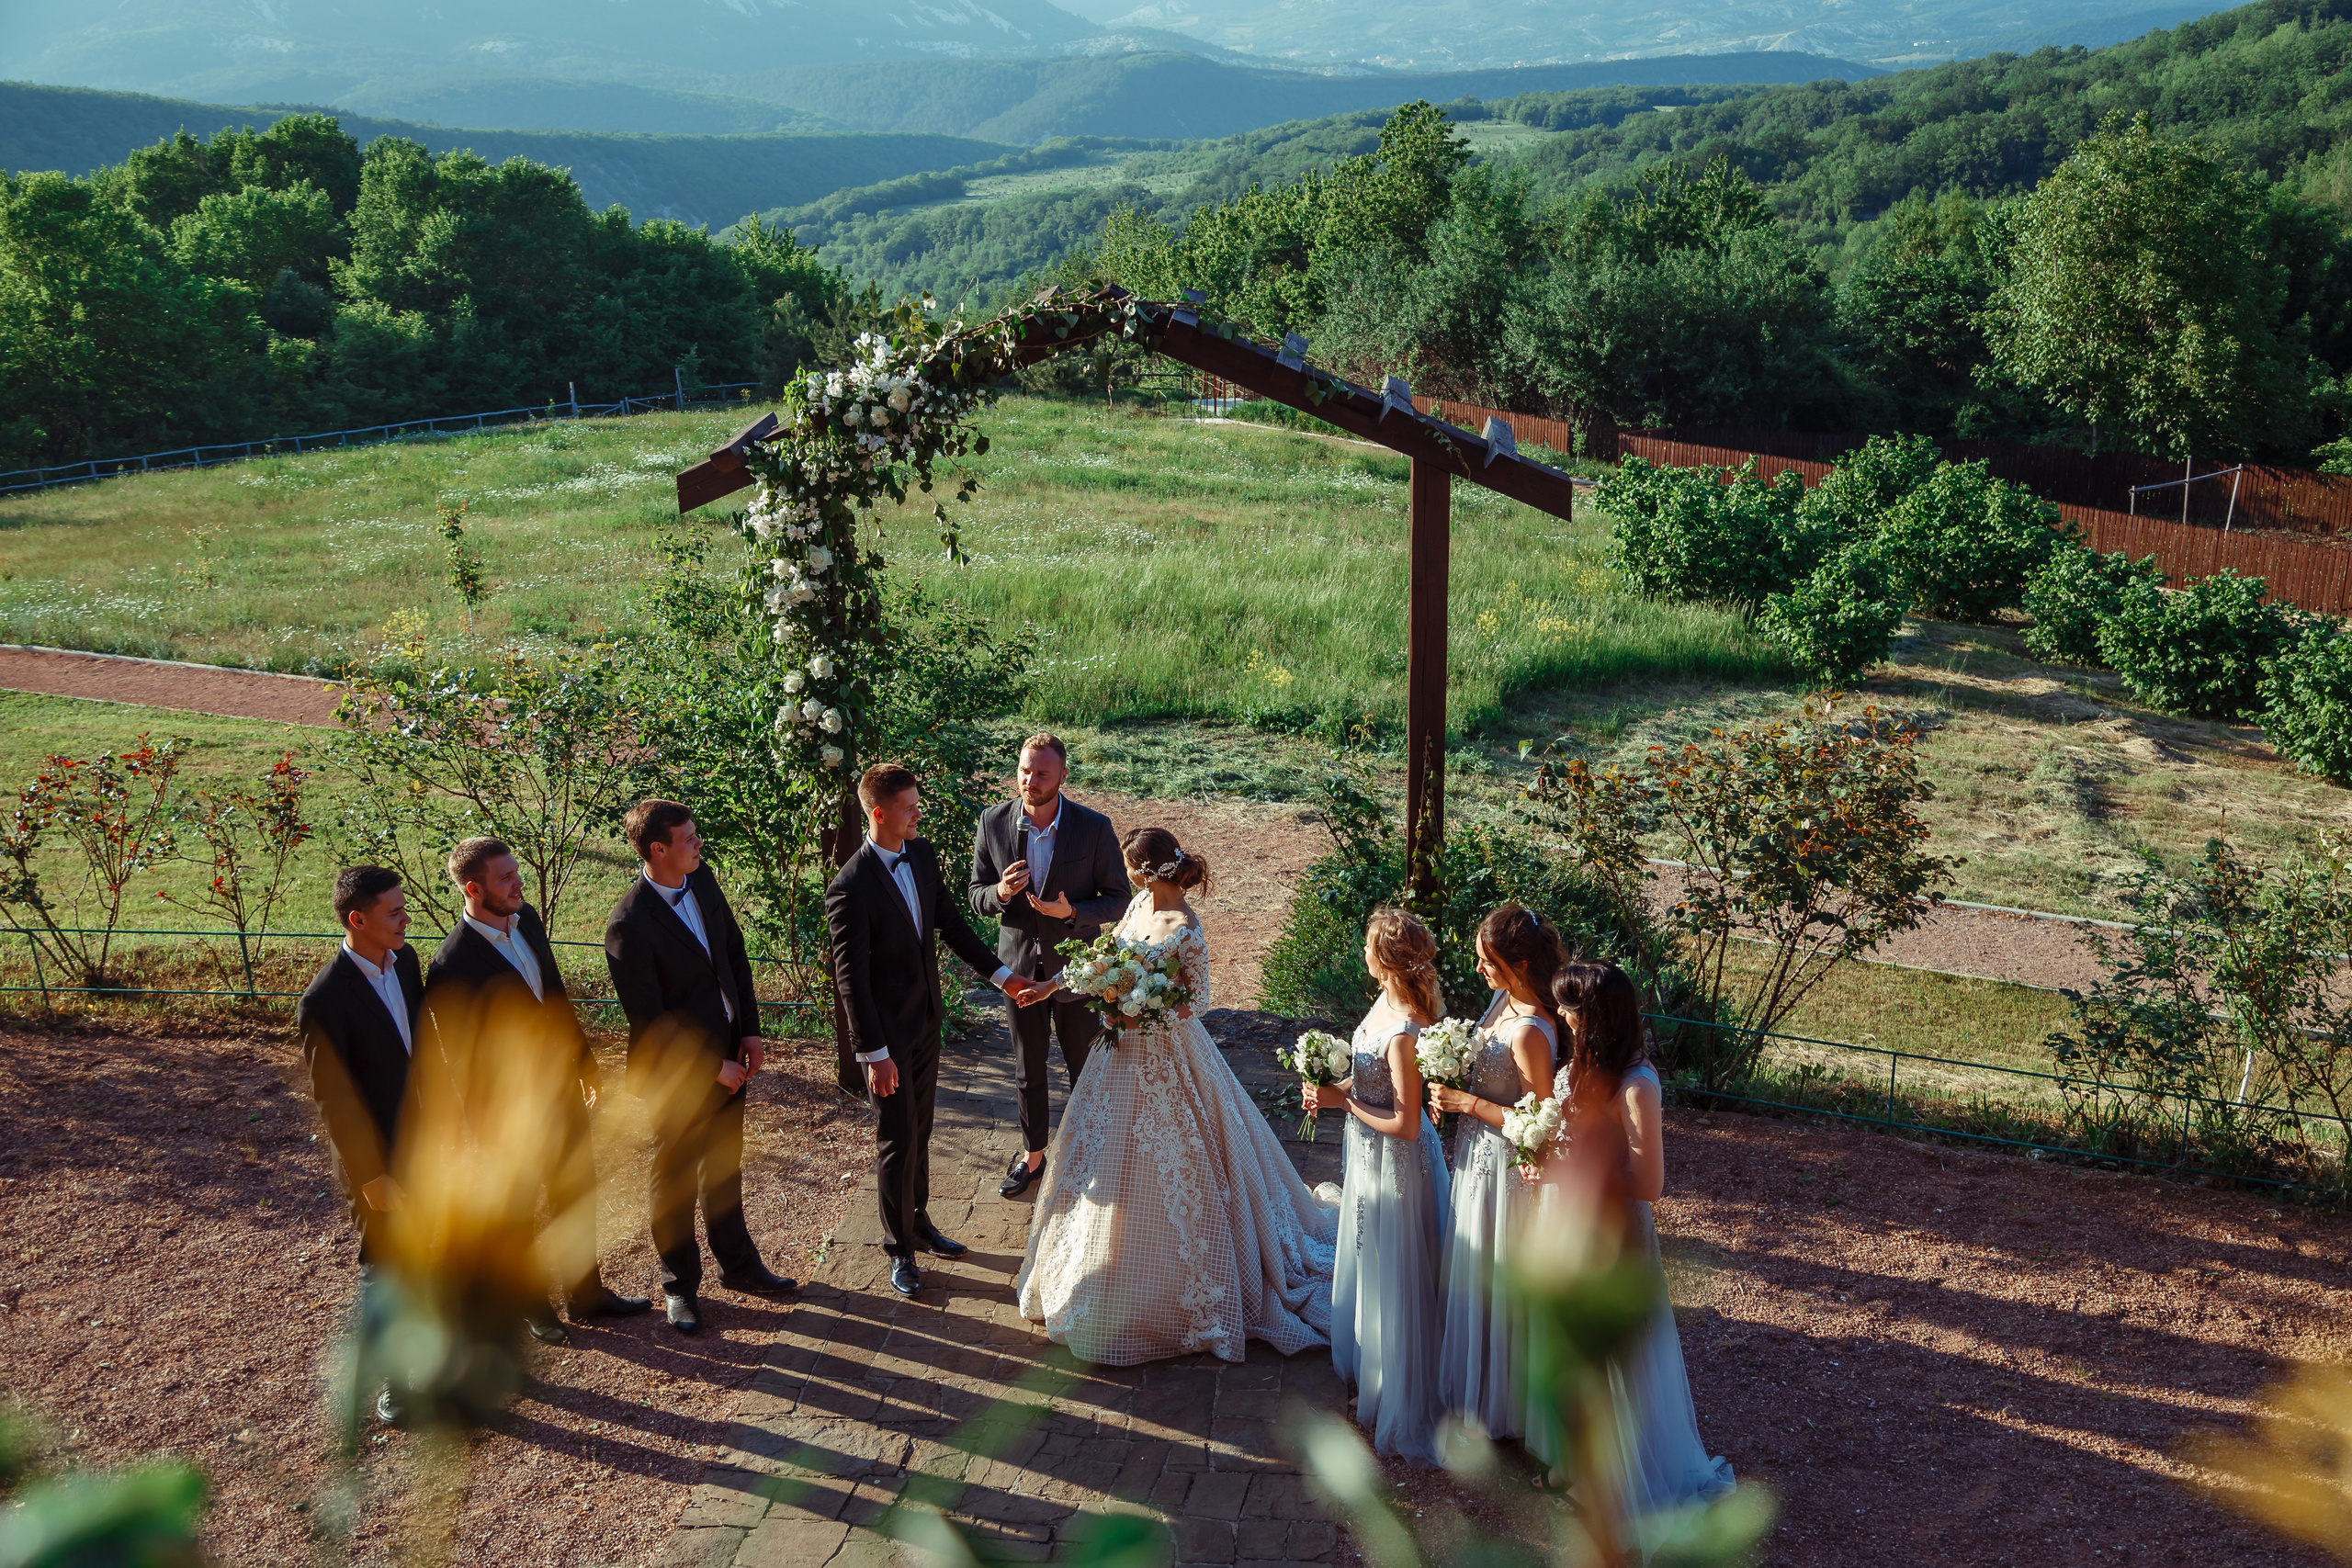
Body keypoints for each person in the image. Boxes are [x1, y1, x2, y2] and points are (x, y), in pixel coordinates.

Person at [1013, 826, 1337, 1366]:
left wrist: (1143, 1008)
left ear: (1144, 869)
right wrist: (1052, 986)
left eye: (1129, 866)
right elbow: (1104, 959)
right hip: (1119, 1051)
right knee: (1103, 1155)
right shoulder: (1139, 901)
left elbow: (1200, 1001)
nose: (1126, 876)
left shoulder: (1186, 927)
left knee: (1182, 1161)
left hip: (1169, 1053)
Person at [826, 763, 1042, 1298]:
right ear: (880, 814)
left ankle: (918, 1223)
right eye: (909, 807)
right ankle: (898, 1249)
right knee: (897, 1140)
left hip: (926, 1022)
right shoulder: (849, 887)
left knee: (920, 1131)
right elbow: (850, 981)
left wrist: (1003, 976)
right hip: (886, 1038)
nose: (918, 812)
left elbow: (951, 923)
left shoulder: (920, 855)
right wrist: (872, 1053)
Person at [424, 837, 651, 1337]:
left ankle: (585, 1294)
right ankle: (532, 1307)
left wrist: (584, 1066)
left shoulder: (527, 921)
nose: (517, 883)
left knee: (577, 1193)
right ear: (473, 889)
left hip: (562, 1093)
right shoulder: (450, 968)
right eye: (505, 878)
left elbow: (555, 1000)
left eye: (515, 873)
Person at [1545, 960, 1735, 1546]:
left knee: (1617, 1358)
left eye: (1570, 1008)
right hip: (1570, 1220)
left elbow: (1649, 1183)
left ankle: (1630, 1485)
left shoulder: (1637, 1084)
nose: (1560, 1016)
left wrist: (1574, 1166)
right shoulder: (1584, 1064)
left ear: (1596, 1016)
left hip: (1614, 1233)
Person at [605, 799, 797, 1335]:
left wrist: (751, 1030)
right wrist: (712, 1068)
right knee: (674, 1180)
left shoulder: (702, 879)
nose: (699, 844)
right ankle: (678, 1288)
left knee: (724, 1166)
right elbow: (651, 1019)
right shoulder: (627, 925)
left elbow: (734, 954)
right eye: (688, 838)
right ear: (657, 849)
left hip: (732, 1050)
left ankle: (738, 1267)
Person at [1308, 908, 1451, 1465]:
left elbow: (1407, 1124)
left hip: (1398, 1167)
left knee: (1397, 1270)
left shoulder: (1405, 1031)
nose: (1362, 953)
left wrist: (1342, 1101)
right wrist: (1333, 1086)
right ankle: (1373, 1374)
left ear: (1385, 959)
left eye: (1368, 946)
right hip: (1367, 1155)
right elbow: (1366, 1080)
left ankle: (1399, 1392)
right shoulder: (1385, 1000)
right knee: (1370, 1256)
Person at [968, 734, 1130, 1200]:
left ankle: (1091, 1154)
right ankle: (1033, 1156)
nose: (1030, 780)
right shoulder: (993, 822)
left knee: (1084, 1066)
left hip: (1076, 971)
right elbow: (975, 894)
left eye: (1041, 773)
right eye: (1024, 770)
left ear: (1062, 776)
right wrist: (998, 893)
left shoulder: (1093, 827)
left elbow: (1119, 900)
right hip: (1017, 971)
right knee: (1026, 1068)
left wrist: (1073, 913)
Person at [1429, 904, 1565, 1445]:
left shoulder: (1534, 1030)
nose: (1479, 969)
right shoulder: (1500, 1001)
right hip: (1473, 1158)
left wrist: (1469, 1102)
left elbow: (1541, 1124)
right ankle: (1474, 1393)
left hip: (1506, 1173)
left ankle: (1506, 1407)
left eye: (1488, 961)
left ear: (1521, 963)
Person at [296, 865, 424, 1426]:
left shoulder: (408, 964)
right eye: (394, 913)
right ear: (358, 919)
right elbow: (335, 1102)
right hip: (379, 1164)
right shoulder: (324, 1000)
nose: (405, 920)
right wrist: (373, 1177)